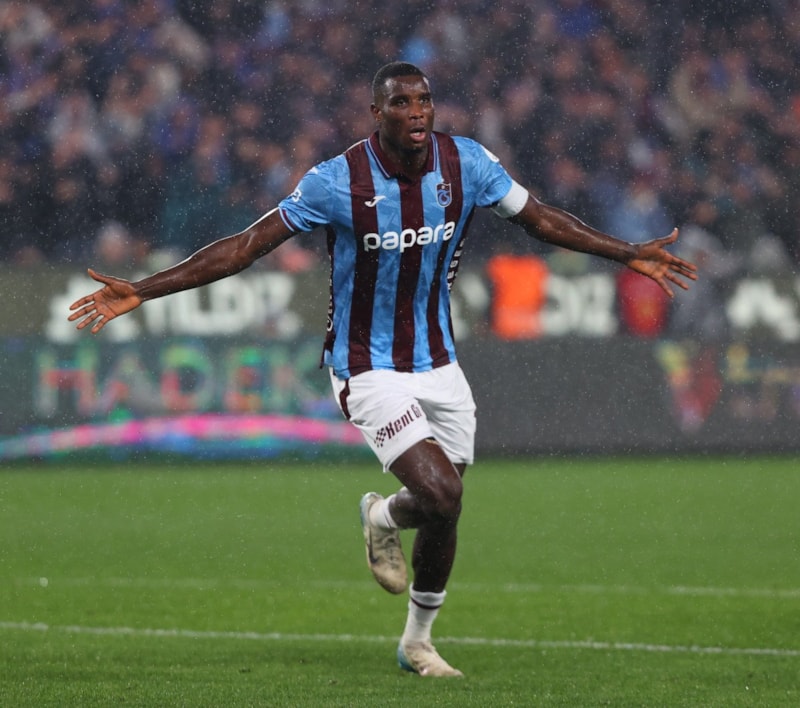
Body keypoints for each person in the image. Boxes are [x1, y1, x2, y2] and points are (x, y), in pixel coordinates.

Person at [68, 61, 698, 677]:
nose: (417, 112)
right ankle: (403, 584)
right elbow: (244, 247)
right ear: (377, 113)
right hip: (366, 366)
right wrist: (143, 289)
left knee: (442, 508)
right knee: (443, 493)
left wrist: (626, 253)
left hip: (440, 361)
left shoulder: (467, 163)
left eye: (424, 100)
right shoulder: (336, 181)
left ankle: (406, 607)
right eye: (401, 102)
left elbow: (541, 219)